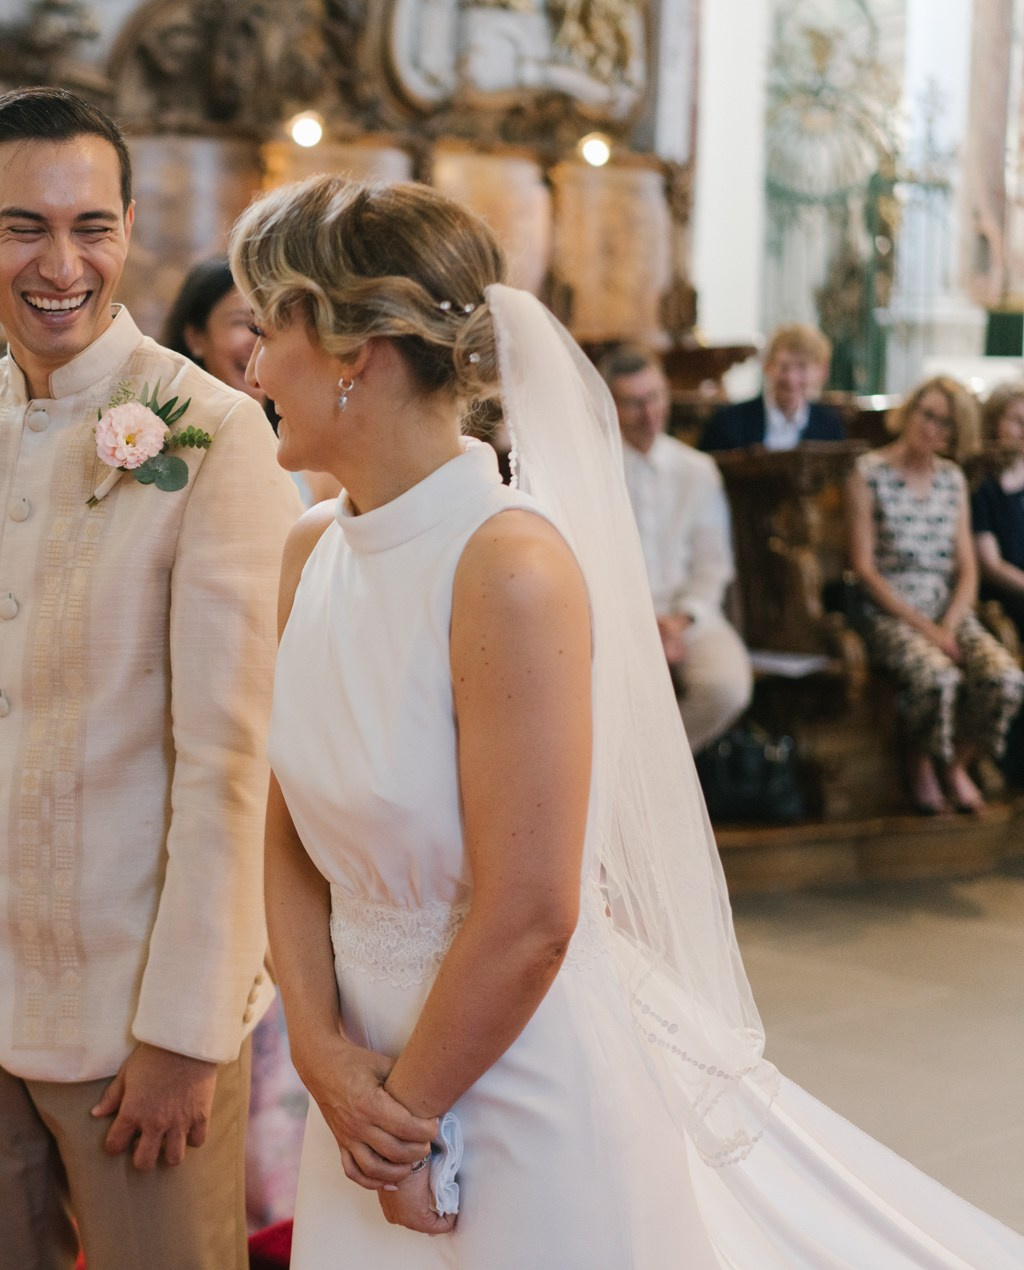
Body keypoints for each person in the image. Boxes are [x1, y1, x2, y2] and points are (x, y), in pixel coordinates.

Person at [233, 174, 1024, 1267]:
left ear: (348, 350)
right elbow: (282, 825)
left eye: (266, 325)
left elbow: (530, 913)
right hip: (362, 1093)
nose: (250, 363)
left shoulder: (504, 564)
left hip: (504, 1086)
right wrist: (323, 1060)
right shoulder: (308, 551)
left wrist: (406, 1115)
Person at [0, 87, 296, 1270]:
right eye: (24, 226)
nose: (61, 262)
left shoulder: (218, 433)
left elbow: (232, 762)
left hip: (130, 1012)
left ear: (129, 226)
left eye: (93, 225)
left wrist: (189, 1028)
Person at [847, 374, 1023, 815]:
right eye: (927, 415)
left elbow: (967, 568)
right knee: (938, 676)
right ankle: (920, 762)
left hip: (948, 608)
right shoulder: (867, 472)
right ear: (909, 413)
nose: (932, 429)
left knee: (1005, 678)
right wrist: (925, 629)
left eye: (945, 425)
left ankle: (957, 761)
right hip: (890, 609)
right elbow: (864, 568)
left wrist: (948, 625)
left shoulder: (952, 480)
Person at [602, 345, 752, 751]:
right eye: (634, 403)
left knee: (727, 686)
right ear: (610, 406)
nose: (650, 414)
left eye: (655, 398)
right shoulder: (596, 469)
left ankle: (648, 766)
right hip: (615, 621)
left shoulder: (698, 470)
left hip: (689, 615)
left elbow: (713, 565)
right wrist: (642, 623)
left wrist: (682, 619)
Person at [164, 257, 340, 508]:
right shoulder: (162, 451)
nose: (256, 346)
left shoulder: (313, 451)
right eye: (242, 323)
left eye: (266, 328)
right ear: (195, 337)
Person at [698, 322, 846, 452]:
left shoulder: (829, 427)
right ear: (766, 366)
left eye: (802, 367)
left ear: (821, 372)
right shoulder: (728, 423)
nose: (791, 379)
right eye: (783, 367)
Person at [971, 382, 1024, 638]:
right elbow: (991, 566)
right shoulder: (981, 483)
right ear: (994, 423)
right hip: (1006, 595)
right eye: (1016, 420)